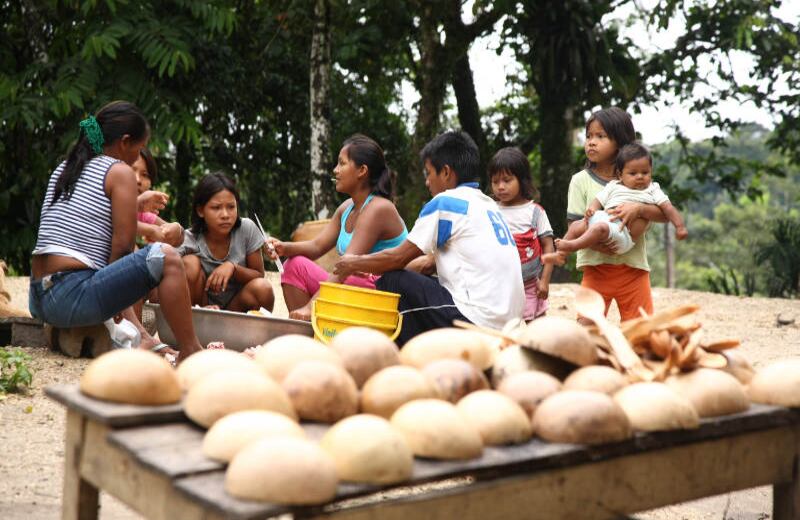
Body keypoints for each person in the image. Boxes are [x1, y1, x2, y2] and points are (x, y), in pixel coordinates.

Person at [29, 101, 203, 361]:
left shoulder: (66, 168)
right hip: (70, 295)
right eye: (139, 148)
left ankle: (139, 338)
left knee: (138, 257)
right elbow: (122, 246)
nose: (137, 156)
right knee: (166, 257)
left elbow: (92, 216)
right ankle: (192, 352)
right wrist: (117, 303)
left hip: (39, 297)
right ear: (124, 142)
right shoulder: (119, 171)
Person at [334, 131, 524, 345]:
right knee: (407, 281)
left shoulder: (445, 202)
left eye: (428, 173)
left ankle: (403, 355)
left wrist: (354, 264)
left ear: (445, 172)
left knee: (393, 280)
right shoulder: (488, 205)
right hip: (509, 323)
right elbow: (426, 264)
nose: (426, 182)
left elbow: (397, 259)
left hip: (476, 320)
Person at [265, 134, 408, 321]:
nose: (335, 170)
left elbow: (347, 267)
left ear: (362, 171)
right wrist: (284, 247)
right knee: (294, 265)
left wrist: (311, 307)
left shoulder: (378, 208)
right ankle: (306, 335)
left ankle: (312, 321)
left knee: (350, 273)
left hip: (382, 294)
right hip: (353, 285)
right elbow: (317, 246)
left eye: (342, 164)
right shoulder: (346, 208)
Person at [554, 107, 668, 321]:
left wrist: (639, 208)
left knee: (640, 333)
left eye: (600, 136)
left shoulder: (639, 180)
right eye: (589, 136)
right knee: (587, 330)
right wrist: (601, 245)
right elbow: (574, 227)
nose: (591, 142)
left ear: (621, 142)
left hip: (634, 270)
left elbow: (664, 214)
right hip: (596, 270)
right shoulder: (580, 180)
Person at [550, 142, 688, 260]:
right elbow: (598, 200)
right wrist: (591, 210)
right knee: (575, 226)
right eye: (633, 173)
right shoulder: (613, 186)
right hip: (606, 220)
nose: (640, 177)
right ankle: (561, 254)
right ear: (620, 175)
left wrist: (680, 227)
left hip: (624, 234)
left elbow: (668, 208)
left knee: (599, 228)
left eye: (645, 173)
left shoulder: (653, 189)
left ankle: (573, 246)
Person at [179, 173, 275, 313]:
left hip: (236, 308)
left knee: (263, 288)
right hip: (201, 309)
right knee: (189, 262)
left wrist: (233, 268)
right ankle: (197, 320)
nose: (225, 215)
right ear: (200, 210)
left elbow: (259, 275)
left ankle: (255, 333)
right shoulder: (188, 239)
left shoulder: (246, 229)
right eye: (216, 208)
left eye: (231, 207)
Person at [489, 147, 555, 321]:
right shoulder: (490, 211)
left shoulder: (535, 212)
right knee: (504, 333)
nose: (500, 187)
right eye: (495, 182)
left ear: (522, 180)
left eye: (507, 180)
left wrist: (545, 280)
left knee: (537, 331)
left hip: (531, 285)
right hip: (499, 287)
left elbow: (549, 246)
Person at [132, 148, 183, 247]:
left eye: (144, 175)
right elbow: (116, 222)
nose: (138, 180)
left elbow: (180, 239)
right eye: (130, 170)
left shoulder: (143, 214)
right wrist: (151, 231)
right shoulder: (104, 199)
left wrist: (177, 229)